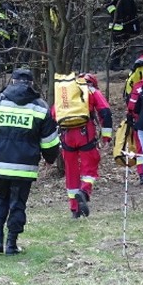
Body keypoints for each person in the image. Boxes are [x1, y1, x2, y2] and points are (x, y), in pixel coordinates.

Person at [0, 68, 60, 254]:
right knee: (18, 203)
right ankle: (11, 244)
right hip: (24, 166)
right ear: (31, 84)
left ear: (11, 81)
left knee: (0, 196)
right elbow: (50, 141)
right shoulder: (40, 107)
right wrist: (49, 158)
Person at [53, 73, 113, 219]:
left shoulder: (65, 93)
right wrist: (106, 135)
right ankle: (84, 191)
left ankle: (74, 209)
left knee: (71, 171)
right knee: (90, 166)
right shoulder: (92, 91)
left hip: (66, 136)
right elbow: (105, 112)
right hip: (85, 134)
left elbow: (54, 114)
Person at [105, 0, 140, 70]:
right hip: (116, 24)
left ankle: (116, 64)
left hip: (127, 23)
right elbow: (109, 5)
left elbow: (133, 8)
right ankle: (114, 64)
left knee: (124, 45)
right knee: (118, 45)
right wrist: (116, 14)